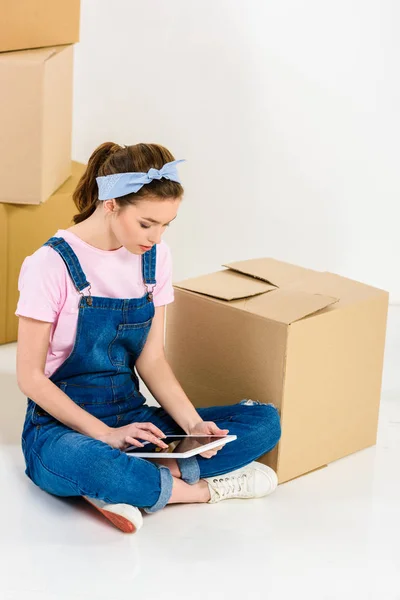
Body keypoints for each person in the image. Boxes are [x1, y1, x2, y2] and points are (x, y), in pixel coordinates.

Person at [16, 142, 282, 533]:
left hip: (135, 419)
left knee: (265, 421)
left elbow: (151, 358)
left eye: (165, 225)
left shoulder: (155, 258)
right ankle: (205, 489)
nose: (155, 237)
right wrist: (106, 435)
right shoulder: (49, 264)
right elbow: (29, 377)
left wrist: (192, 427)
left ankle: (138, 483)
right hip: (62, 426)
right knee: (92, 461)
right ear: (110, 205)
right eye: (146, 224)